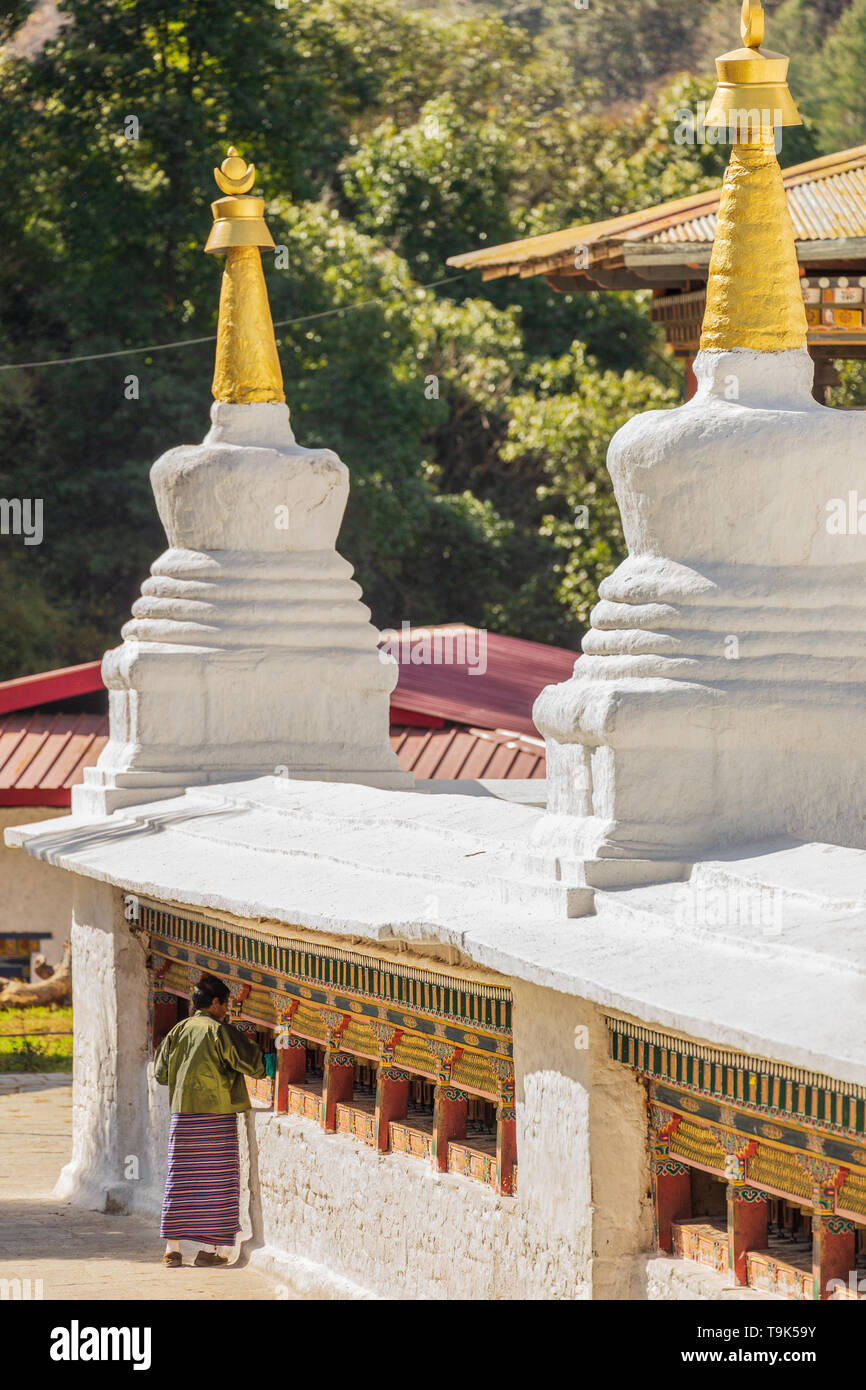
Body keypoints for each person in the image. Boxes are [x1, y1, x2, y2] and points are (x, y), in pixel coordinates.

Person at [154, 973, 265, 1268]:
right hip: (216, 1117)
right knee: (217, 1183)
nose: (227, 1010)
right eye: (226, 1004)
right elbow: (253, 1066)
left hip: (182, 1116)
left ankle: (172, 1249)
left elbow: (160, 1073)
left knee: (181, 1180)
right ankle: (208, 1250)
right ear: (215, 1002)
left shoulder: (178, 1030)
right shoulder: (218, 1031)